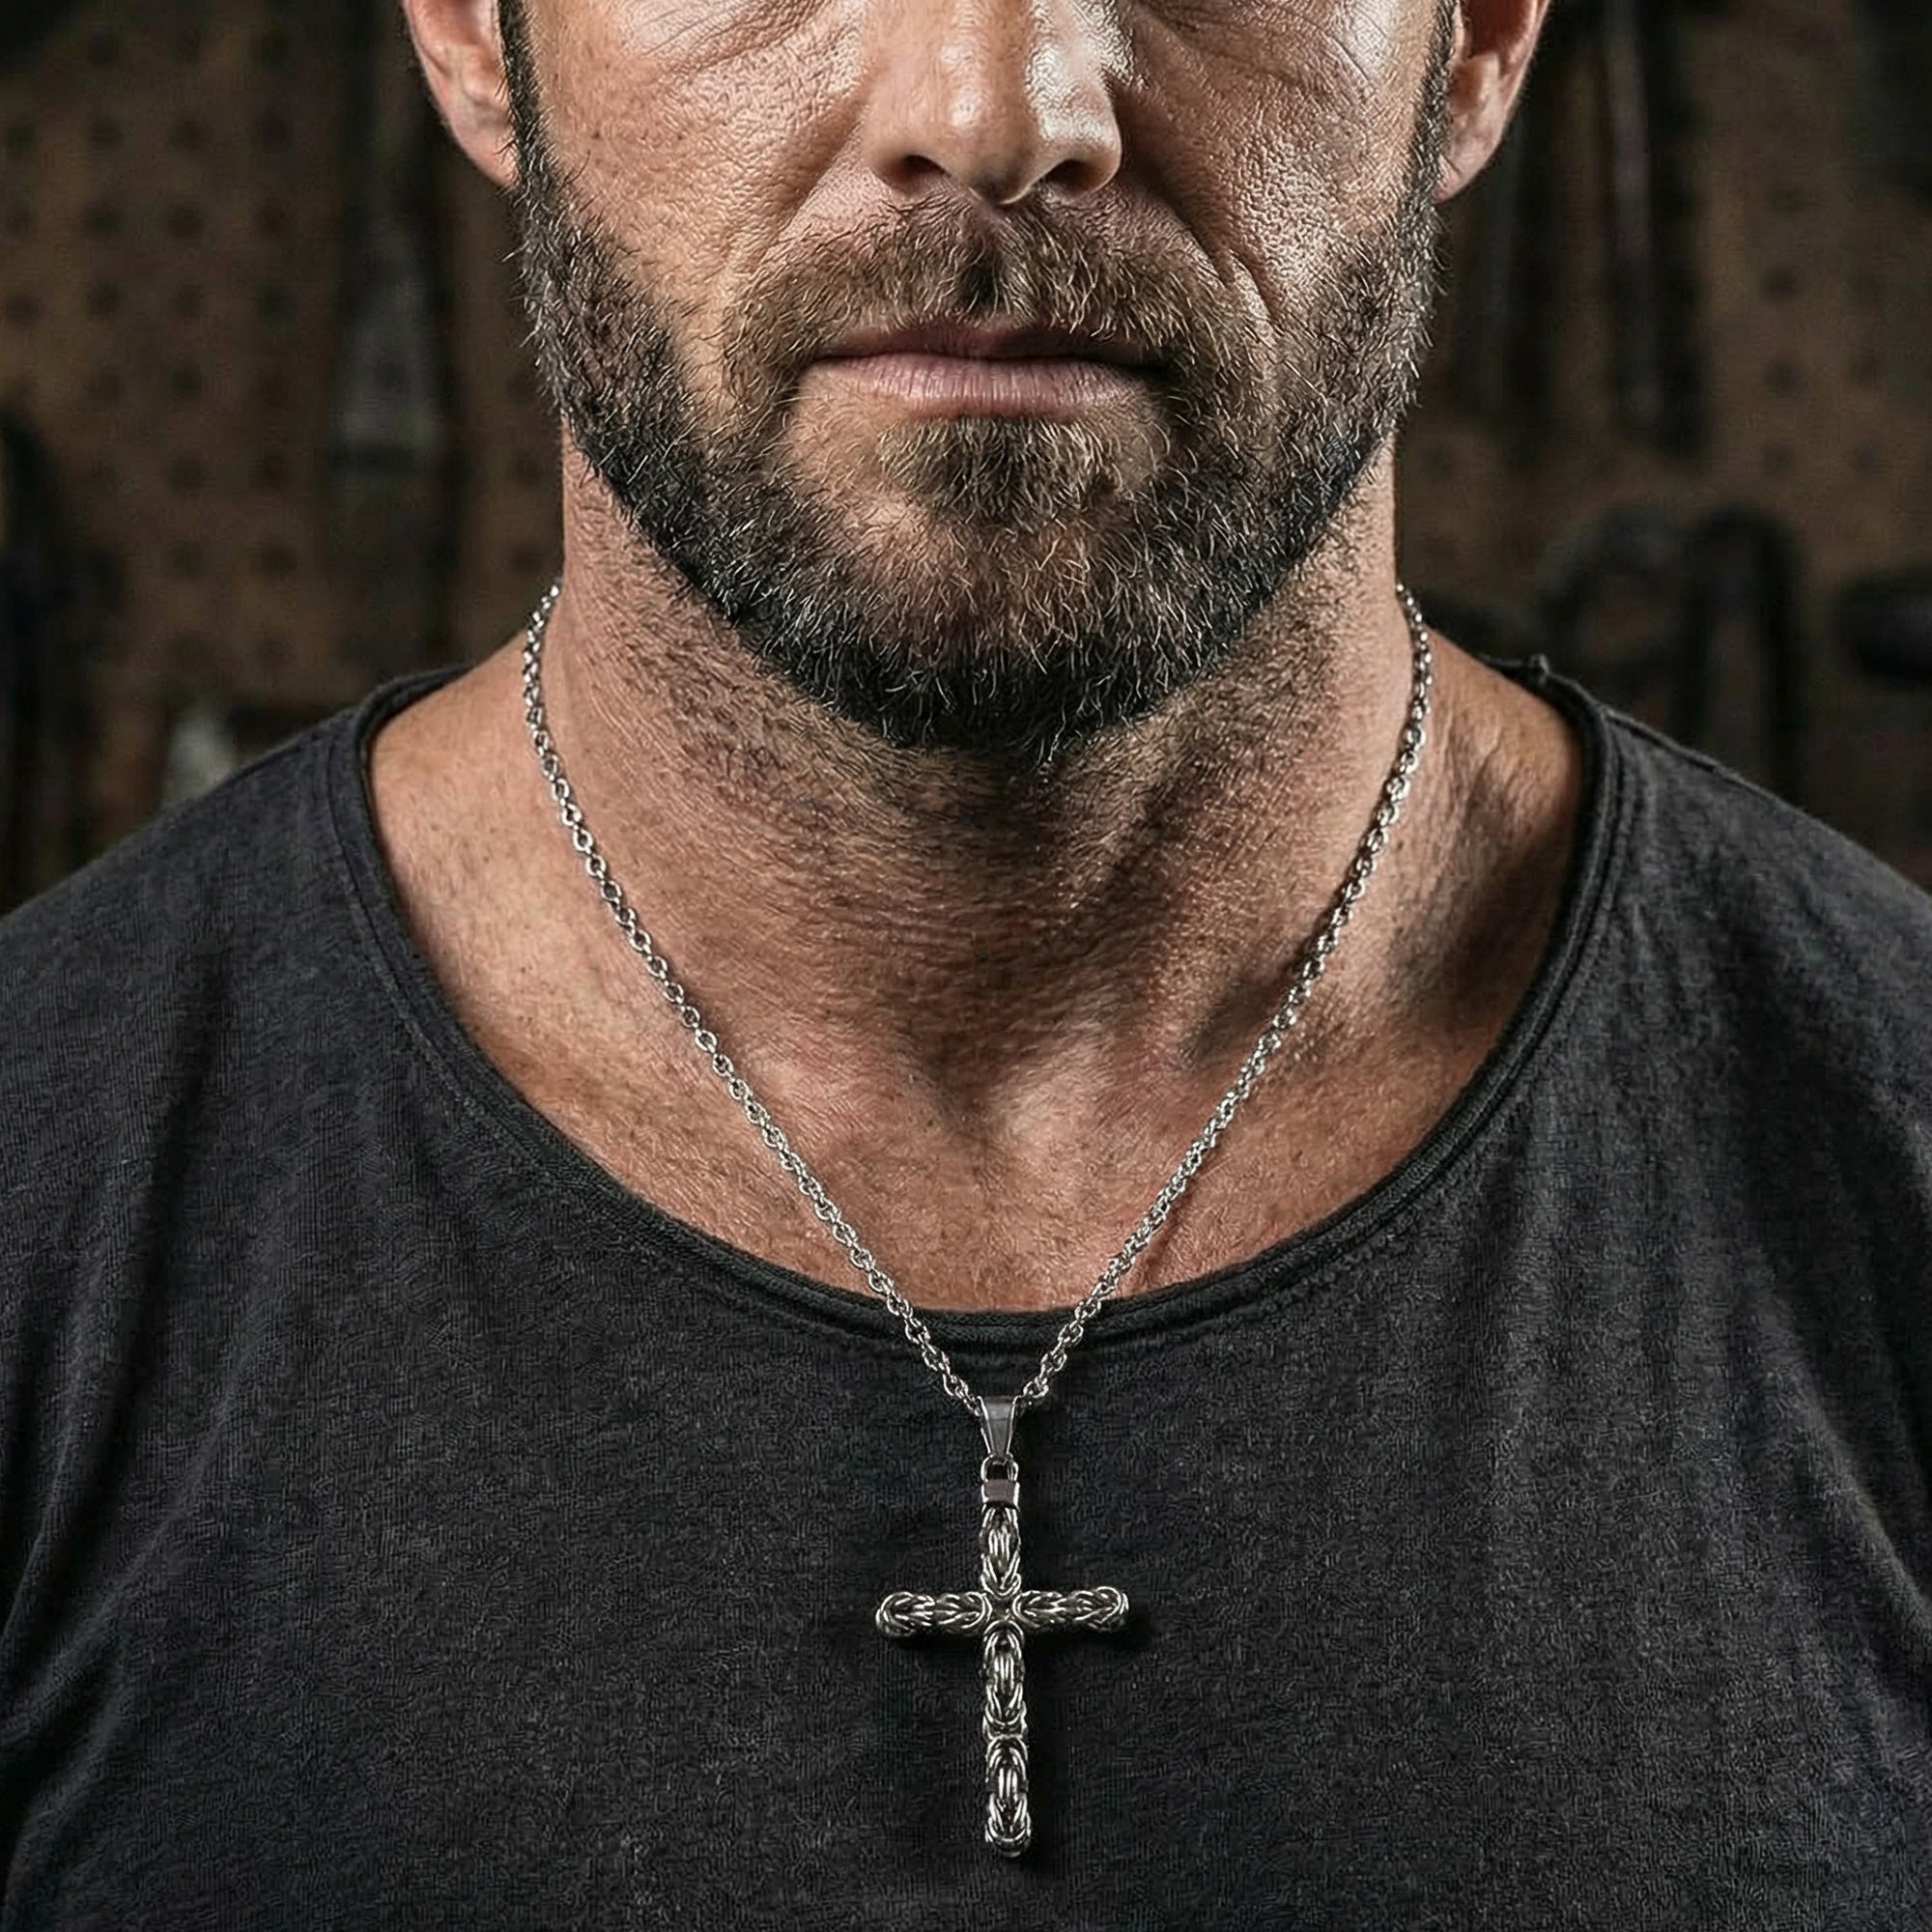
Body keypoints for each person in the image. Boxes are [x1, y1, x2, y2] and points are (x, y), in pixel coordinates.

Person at [2, 0, 1928, 1920]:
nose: (996, 110)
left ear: (1483, 43)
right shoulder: (50, 1187)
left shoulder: (1876, 1136)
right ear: (474, 37)